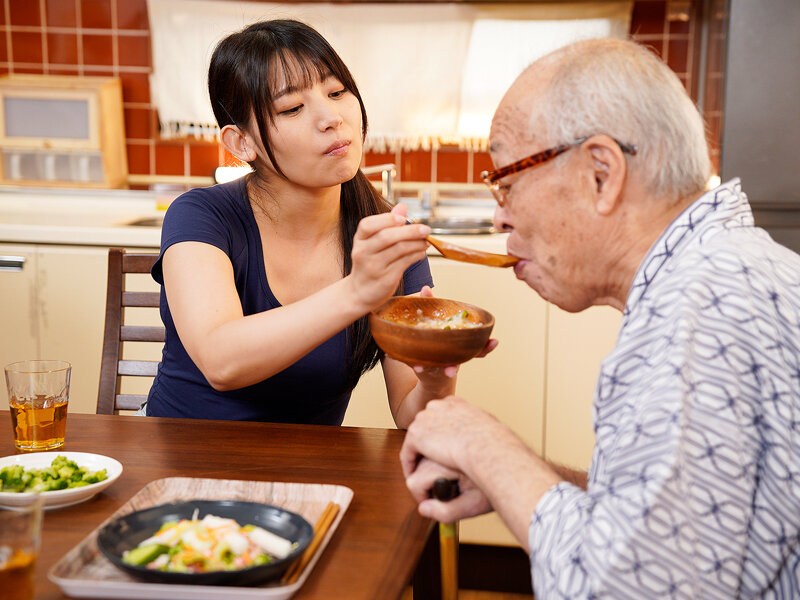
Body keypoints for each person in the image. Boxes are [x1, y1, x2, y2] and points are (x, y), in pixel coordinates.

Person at [401, 38, 800, 598]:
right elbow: (678, 526)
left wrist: (488, 448)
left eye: (508, 182)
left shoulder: (697, 311)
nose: (498, 215)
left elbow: (635, 589)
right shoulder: (720, 275)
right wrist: (520, 479)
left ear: (601, 173)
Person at [143, 19, 466, 427]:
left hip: (310, 477)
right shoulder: (202, 214)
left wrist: (435, 379)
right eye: (292, 107)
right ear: (242, 143)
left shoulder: (383, 231)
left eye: (336, 92)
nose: (331, 117)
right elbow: (220, 361)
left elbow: (409, 415)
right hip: (183, 463)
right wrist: (357, 292)